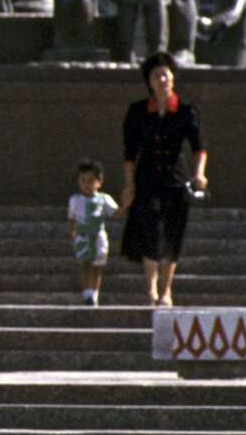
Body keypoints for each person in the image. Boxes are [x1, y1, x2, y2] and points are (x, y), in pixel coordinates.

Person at [114, 53, 208, 307]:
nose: (162, 79)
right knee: (151, 232)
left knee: (173, 236)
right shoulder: (138, 112)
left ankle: (167, 290)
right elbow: (130, 153)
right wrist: (129, 184)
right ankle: (151, 289)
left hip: (176, 180)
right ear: (149, 81)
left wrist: (199, 174)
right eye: (156, 75)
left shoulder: (187, 110)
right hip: (147, 179)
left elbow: (199, 147)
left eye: (165, 74)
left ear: (173, 77)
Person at [66, 159, 118, 306]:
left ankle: (95, 293)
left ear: (99, 182)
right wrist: (71, 232)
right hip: (83, 236)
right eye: (83, 180)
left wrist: (127, 204)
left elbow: (115, 213)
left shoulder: (104, 198)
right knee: (85, 263)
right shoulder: (75, 200)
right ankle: (87, 292)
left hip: (98, 237)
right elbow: (71, 218)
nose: (87, 184)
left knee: (97, 265)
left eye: (90, 180)